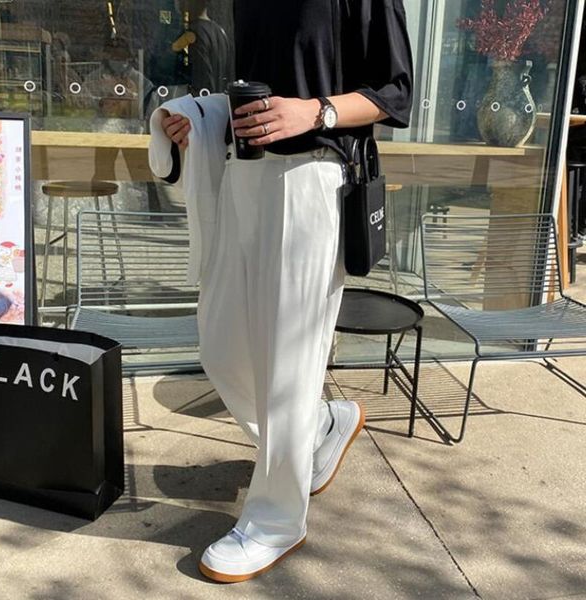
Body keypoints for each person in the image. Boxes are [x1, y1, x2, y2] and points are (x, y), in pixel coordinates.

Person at [160, 0, 413, 582]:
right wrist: (202, 117)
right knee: (221, 346)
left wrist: (315, 111)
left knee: (287, 363)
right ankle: (320, 425)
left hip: (312, 178)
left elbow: (395, 93)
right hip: (243, 175)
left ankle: (277, 519)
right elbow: (256, 93)